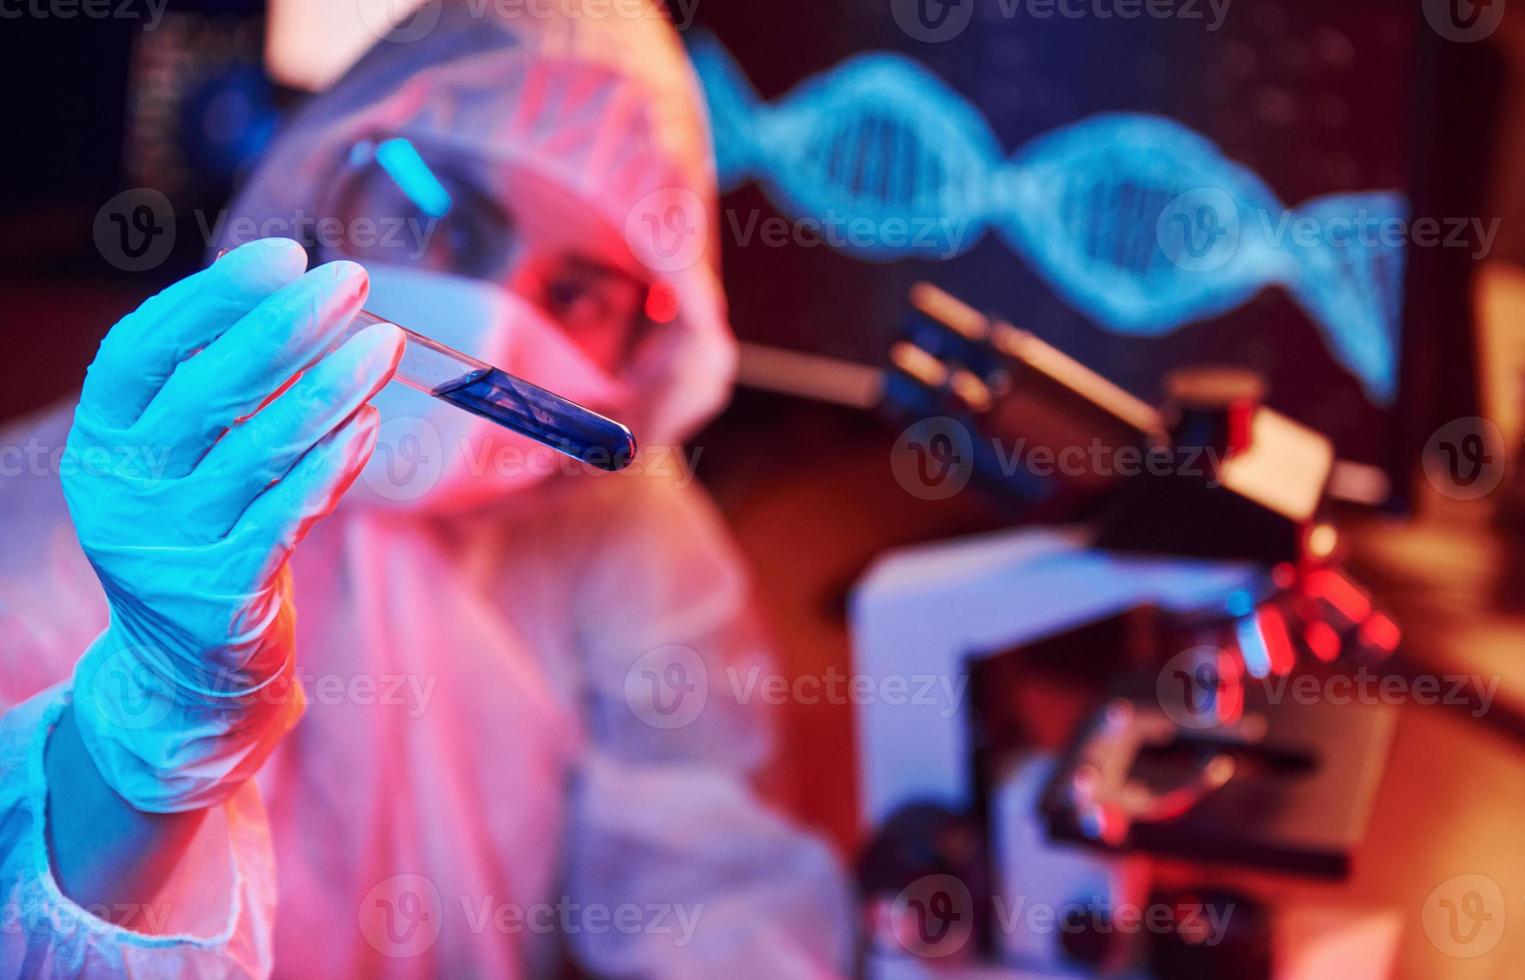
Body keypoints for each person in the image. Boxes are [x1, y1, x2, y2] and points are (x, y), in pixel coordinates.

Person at [0, 2, 852, 976]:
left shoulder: (620, 523)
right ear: (323, 170)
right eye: (438, 215)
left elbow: (716, 898)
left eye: (577, 293)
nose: (489, 326)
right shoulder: (115, 499)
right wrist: (134, 749)